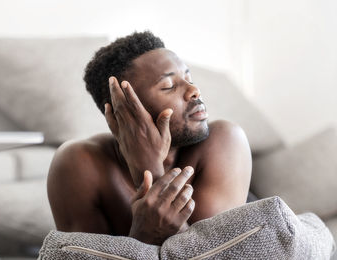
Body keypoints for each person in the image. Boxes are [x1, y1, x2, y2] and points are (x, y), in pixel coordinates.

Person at [47, 31, 252, 245]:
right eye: (169, 86)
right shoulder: (79, 163)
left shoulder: (224, 140)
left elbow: (215, 255)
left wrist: (150, 174)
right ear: (123, 111)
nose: (194, 90)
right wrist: (144, 234)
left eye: (189, 78)